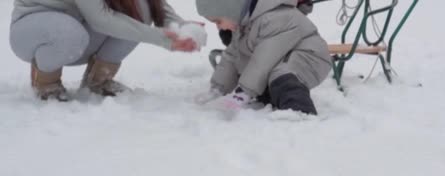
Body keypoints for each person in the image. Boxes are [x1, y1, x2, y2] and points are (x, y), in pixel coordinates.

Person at [10, 0, 199, 101]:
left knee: (139, 9)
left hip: (75, 29)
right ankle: (46, 83)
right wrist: (162, 38)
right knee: (70, 33)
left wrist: (181, 28)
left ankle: (98, 80)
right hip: (32, 31)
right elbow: (100, 19)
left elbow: (154, 4)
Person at [196, 0, 331, 115]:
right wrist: (218, 88)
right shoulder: (244, 25)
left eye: (218, 21)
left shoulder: (274, 17)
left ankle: (300, 112)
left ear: (231, 9)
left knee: (282, 74)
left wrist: (243, 92)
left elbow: (262, 61)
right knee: (268, 79)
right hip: (281, 56)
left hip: (309, 56)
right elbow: (232, 57)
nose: (219, 27)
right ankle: (273, 97)